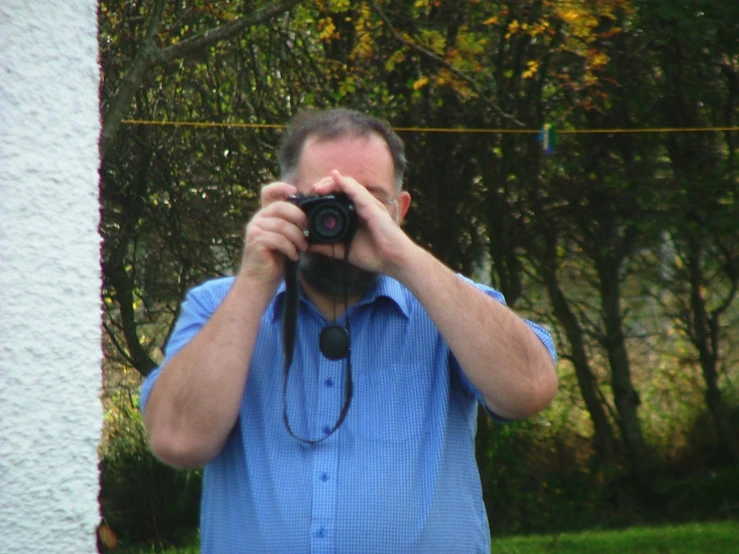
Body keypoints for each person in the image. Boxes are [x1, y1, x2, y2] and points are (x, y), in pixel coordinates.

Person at [141, 107, 558, 553]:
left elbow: (529, 391)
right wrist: (257, 282)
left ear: (399, 211)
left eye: (366, 201)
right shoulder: (221, 306)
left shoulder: (449, 304)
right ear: (284, 202)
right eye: (324, 201)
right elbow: (176, 442)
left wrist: (405, 259)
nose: (343, 218)